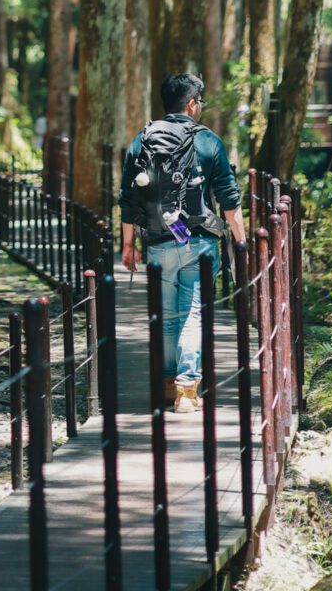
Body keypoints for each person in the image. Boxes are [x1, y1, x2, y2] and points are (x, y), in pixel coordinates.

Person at [119, 72, 246, 416]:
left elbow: (128, 199)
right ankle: (187, 390)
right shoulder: (208, 142)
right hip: (199, 243)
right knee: (192, 315)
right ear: (191, 104)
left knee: (167, 316)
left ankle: (166, 383)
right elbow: (229, 201)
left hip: (157, 243)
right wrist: (241, 242)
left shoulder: (142, 139)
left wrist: (128, 245)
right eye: (200, 101)